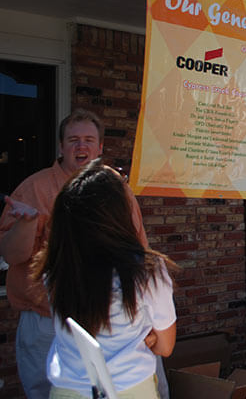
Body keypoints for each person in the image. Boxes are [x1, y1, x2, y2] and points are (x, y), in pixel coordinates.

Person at [0, 109, 150, 399]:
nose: (81, 147)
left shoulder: (117, 189)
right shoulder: (34, 189)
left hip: (111, 324)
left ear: (100, 147)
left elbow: (137, 251)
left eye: (88, 140)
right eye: (73, 140)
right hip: (48, 324)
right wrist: (27, 224)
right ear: (60, 147)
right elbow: (12, 255)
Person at [31, 159, 176, 398]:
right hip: (132, 389)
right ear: (118, 213)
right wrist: (145, 336)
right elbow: (165, 345)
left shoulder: (55, 267)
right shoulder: (148, 269)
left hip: (66, 389)